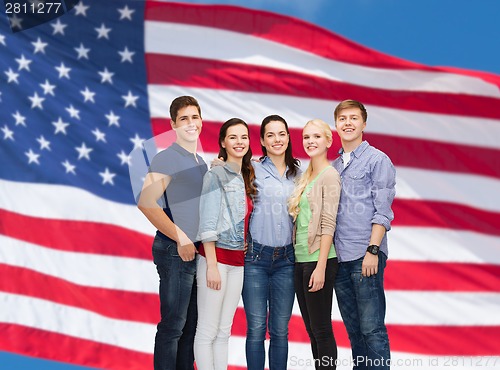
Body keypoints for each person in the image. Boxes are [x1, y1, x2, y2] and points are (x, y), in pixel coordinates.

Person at [137, 96, 207, 370]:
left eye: (195, 117)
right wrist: (181, 237)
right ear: (173, 125)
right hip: (174, 249)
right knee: (173, 327)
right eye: (184, 119)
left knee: (190, 327)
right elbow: (146, 203)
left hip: (194, 251)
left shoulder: (199, 161)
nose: (191, 123)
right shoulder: (166, 157)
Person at [332, 100, 396, 370]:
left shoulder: (377, 160)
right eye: (342, 118)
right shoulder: (332, 167)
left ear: (364, 124)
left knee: (372, 330)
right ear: (336, 125)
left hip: (365, 255)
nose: (348, 123)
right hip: (339, 258)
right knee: (354, 331)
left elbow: (383, 210)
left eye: (353, 118)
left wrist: (373, 250)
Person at [195, 118, 256, 370]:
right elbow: (208, 222)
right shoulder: (215, 175)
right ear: (223, 142)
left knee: (223, 330)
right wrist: (211, 265)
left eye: (243, 137)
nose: (239, 142)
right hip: (216, 260)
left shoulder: (246, 176)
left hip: (237, 262)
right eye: (233, 137)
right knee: (207, 329)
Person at [242, 115, 301, 370]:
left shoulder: (300, 174)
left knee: (280, 330)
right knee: (255, 329)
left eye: (282, 134)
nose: (277, 140)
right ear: (263, 141)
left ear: (288, 137)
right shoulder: (252, 170)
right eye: (270, 135)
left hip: (287, 261)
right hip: (255, 259)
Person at [288, 119, 341, 370]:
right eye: (307, 137)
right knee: (311, 329)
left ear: (328, 141)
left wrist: (320, 267)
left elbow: (329, 223)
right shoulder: (306, 175)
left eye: (317, 137)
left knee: (321, 328)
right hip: (300, 261)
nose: (311, 141)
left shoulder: (329, 175)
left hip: (319, 261)